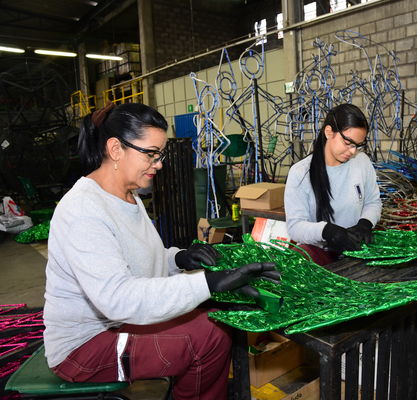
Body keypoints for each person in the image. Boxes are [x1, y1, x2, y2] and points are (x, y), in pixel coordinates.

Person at [43, 102, 280, 400]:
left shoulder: (128, 197)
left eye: (160, 154)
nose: (159, 164)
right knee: (208, 337)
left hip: (119, 324)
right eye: (151, 154)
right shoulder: (82, 210)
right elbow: (118, 299)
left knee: (217, 314)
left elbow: (141, 262)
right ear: (116, 149)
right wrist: (208, 282)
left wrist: (179, 258)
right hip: (84, 347)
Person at [284, 103, 382, 265]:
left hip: (356, 251)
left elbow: (373, 202)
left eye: (357, 145)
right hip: (320, 253)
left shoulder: (362, 162)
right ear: (329, 132)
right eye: (348, 143)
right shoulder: (300, 173)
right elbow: (295, 227)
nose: (353, 151)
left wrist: (365, 223)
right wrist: (326, 231)